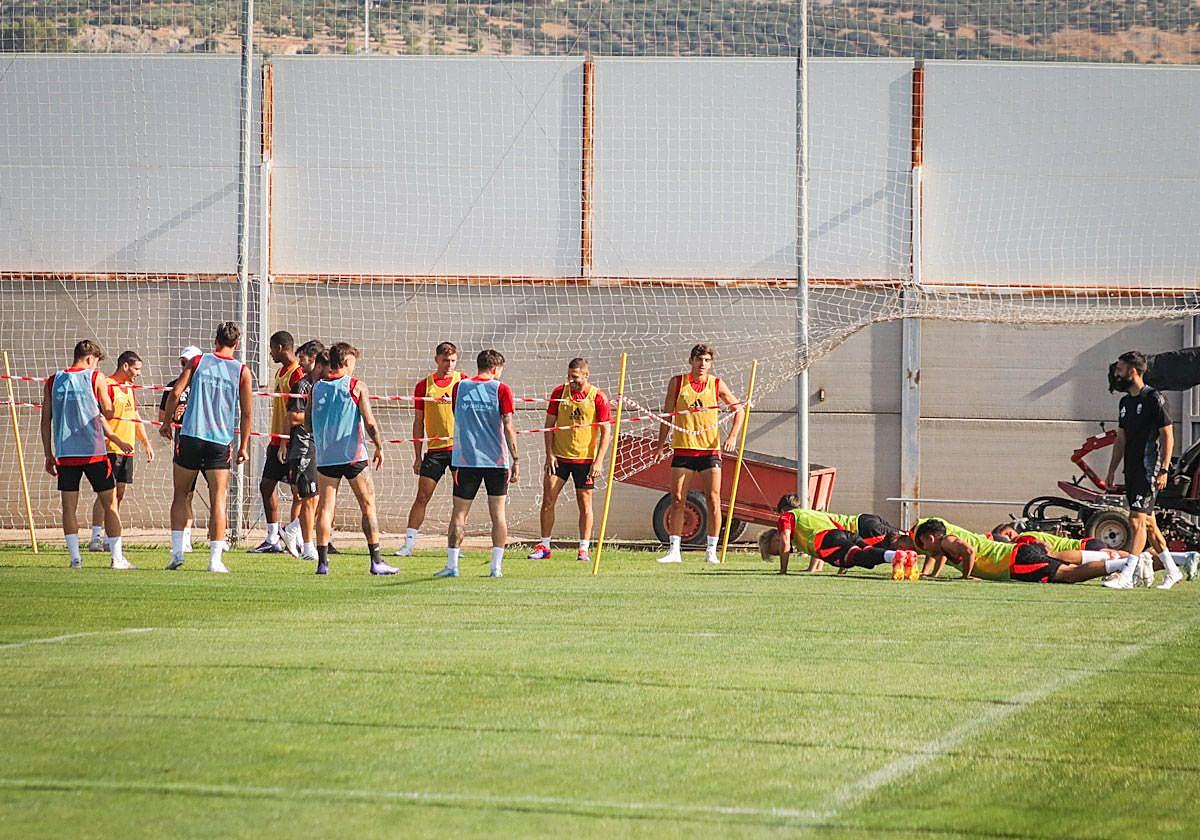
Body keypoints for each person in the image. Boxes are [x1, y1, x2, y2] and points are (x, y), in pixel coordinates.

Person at [160, 322, 253, 573]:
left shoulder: (198, 361)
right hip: (220, 441)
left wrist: (166, 423)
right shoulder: (242, 371)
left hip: (190, 436)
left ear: (216, 340)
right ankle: (214, 560)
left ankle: (178, 553)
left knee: (180, 494)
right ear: (237, 344)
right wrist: (244, 446)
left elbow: (176, 392)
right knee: (218, 499)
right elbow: (246, 414)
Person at [40, 340, 134, 569]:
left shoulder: (53, 380)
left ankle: (75, 559)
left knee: (68, 507)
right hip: (94, 453)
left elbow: (45, 420)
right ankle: (117, 558)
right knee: (111, 505)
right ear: (91, 358)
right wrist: (107, 407)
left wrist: (48, 454)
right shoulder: (96, 377)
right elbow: (108, 410)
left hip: (66, 453)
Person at [308, 342, 394, 576]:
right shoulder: (356, 386)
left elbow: (307, 423)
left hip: (327, 457)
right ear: (346, 362)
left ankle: (323, 564)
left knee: (325, 509)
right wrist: (379, 445)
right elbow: (369, 422)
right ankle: (376, 561)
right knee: (368, 506)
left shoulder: (316, 388)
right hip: (353, 455)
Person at [654, 344, 744, 565]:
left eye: (706, 360)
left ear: (710, 363)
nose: (702, 364)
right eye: (698, 359)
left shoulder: (716, 383)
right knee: (677, 499)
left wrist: (732, 436)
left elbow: (739, 410)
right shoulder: (678, 382)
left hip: (709, 451)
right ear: (691, 361)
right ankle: (674, 550)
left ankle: (711, 550)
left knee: (713, 499)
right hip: (683, 448)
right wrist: (660, 444)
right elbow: (667, 415)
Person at [435, 349, 520, 579]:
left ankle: (452, 565)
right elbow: (508, 426)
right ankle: (496, 567)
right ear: (494, 368)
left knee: (459, 514)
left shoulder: (459, 387)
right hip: (496, 461)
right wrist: (516, 459)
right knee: (498, 515)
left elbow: (457, 414)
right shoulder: (501, 389)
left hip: (466, 460)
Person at [1104, 350, 1183, 589]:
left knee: (1136, 521)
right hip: (1132, 469)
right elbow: (1121, 439)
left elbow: (1167, 434)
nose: (1116, 374)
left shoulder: (1154, 398)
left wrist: (1164, 469)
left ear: (1133, 370)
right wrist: (1111, 470)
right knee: (1148, 524)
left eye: (1119, 369)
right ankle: (1173, 570)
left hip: (1150, 469)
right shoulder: (1125, 402)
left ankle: (1126, 576)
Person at [528, 358, 613, 564]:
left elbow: (606, 431)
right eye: (569, 377)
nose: (571, 382)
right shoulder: (559, 393)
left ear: (586, 375)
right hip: (559, 458)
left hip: (584, 460)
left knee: (585, 504)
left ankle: (583, 548)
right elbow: (549, 425)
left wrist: (599, 460)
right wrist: (549, 454)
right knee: (548, 499)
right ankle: (545, 546)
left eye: (575, 378)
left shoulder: (598, 397)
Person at [913, 519, 1140, 587]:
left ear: (931, 537)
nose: (922, 548)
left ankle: (1128, 565)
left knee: (1070, 575)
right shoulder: (943, 547)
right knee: (1071, 572)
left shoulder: (950, 540)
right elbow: (940, 555)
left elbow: (968, 551)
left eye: (922, 541)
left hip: (1016, 561)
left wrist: (966, 576)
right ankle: (1140, 563)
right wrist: (931, 575)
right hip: (1017, 557)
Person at [395, 342, 462, 558]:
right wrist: (417, 455)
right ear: (436, 360)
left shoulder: (463, 382)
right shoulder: (424, 386)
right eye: (445, 360)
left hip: (459, 450)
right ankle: (409, 544)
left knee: (460, 499)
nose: (449, 365)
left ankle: (455, 546)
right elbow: (418, 421)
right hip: (434, 451)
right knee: (422, 496)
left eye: (452, 361)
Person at [88, 351, 153, 552]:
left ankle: (110, 536)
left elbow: (134, 416)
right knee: (105, 495)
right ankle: (95, 537)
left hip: (127, 449)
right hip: (110, 448)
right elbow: (101, 416)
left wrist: (146, 443)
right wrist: (114, 439)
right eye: (136, 369)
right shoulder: (107, 385)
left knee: (120, 494)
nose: (138, 373)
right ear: (125, 366)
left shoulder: (130, 388)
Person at [251, 331, 307, 554]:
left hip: (292, 441)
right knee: (266, 485)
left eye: (273, 348)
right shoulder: (280, 372)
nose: (271, 353)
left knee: (299, 492)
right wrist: (276, 439)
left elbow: (296, 413)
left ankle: (298, 537)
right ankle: (273, 536)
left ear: (283, 347)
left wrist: (285, 441)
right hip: (278, 439)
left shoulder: (297, 374)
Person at [758, 503, 917, 578]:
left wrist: (783, 571)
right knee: (868, 559)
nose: (782, 553)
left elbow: (785, 541)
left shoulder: (786, 518)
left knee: (861, 556)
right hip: (846, 533)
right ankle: (905, 557)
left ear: (775, 538)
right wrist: (842, 567)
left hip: (839, 535)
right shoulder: (802, 527)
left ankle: (897, 556)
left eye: (776, 552)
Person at [279, 340, 326, 562]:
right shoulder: (303, 386)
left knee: (318, 500)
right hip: (305, 447)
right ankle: (308, 548)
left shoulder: (323, 385)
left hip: (320, 448)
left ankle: (293, 529)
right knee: (308, 498)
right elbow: (294, 416)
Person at [158, 345, 203, 553]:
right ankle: (184, 538)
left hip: (205, 441)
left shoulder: (204, 384)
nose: (184, 366)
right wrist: (172, 416)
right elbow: (161, 418)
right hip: (183, 443)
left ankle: (218, 538)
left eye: (188, 362)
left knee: (216, 492)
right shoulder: (172, 386)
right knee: (185, 493)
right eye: (182, 362)